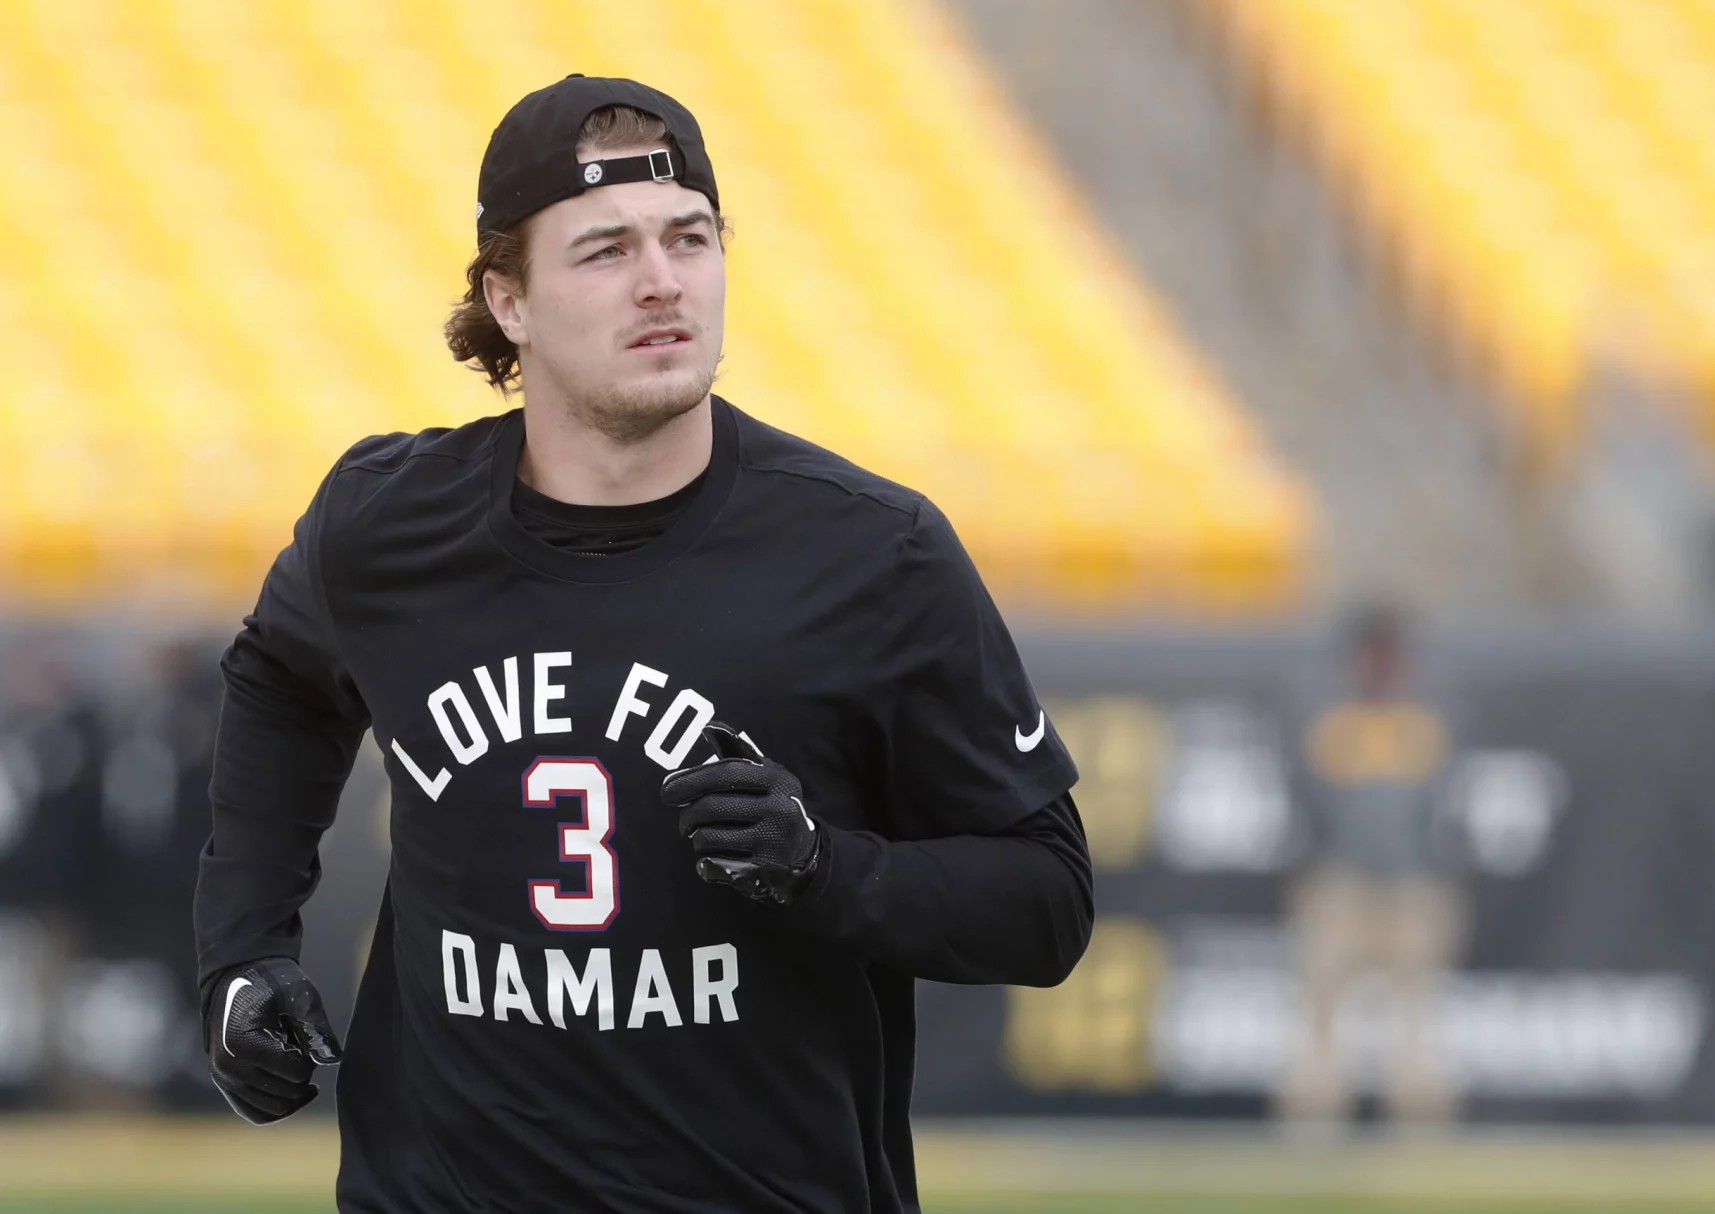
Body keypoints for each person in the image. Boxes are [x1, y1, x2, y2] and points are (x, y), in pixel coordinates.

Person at [193, 75, 1092, 1213]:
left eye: (691, 237)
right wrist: (241, 948)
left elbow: (1048, 900)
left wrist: (825, 865)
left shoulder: (874, 553)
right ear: (508, 301)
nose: (664, 280)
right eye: (606, 249)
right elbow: (280, 678)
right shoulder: (386, 525)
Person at [1280, 602, 1463, 1127]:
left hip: (1413, 887)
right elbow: (1307, 802)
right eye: (1371, 655)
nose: (1379, 667)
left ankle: (1422, 1130)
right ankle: (1310, 1127)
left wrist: (1437, 871)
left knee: (1420, 1021)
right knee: (1318, 1015)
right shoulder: (1328, 717)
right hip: (1341, 883)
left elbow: (1443, 809)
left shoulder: (1427, 717)